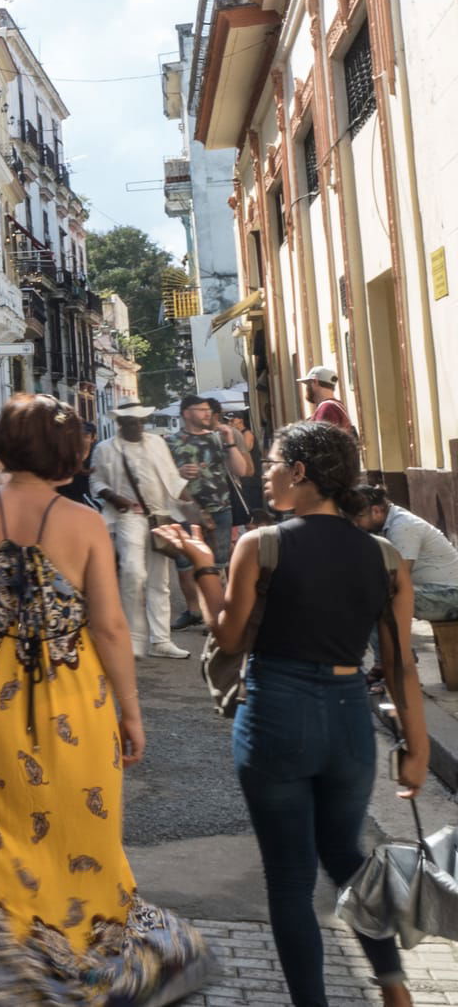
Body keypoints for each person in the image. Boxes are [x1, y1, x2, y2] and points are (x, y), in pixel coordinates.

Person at [0, 395, 210, 999]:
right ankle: (83, 960)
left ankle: (11, 966)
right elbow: (109, 628)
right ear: (67, 453)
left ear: (2, 446)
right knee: (82, 836)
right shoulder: (82, 522)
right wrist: (131, 714)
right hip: (74, 704)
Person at [161, 422, 428, 1007]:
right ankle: (393, 987)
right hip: (349, 718)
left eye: (276, 463)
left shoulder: (264, 545)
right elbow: (401, 662)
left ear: (301, 471)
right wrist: (417, 749)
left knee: (289, 878)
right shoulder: (386, 557)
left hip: (277, 712)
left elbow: (229, 637)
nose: (268, 474)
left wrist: (204, 563)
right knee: (347, 858)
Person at [89, 404, 192, 659]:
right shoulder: (105, 449)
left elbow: (171, 477)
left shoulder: (157, 443)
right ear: (120, 423)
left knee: (160, 579)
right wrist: (113, 496)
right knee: (133, 572)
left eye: (140, 421)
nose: (137, 426)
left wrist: (191, 507)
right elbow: (96, 480)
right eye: (131, 422)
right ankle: (133, 638)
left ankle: (161, 641)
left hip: (160, 514)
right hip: (127, 516)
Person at [170, 394, 252, 574]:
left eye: (208, 410)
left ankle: (218, 601)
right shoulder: (171, 442)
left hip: (220, 509)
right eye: (202, 410)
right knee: (187, 567)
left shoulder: (219, 438)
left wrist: (230, 440)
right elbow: (162, 478)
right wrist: (178, 473)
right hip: (186, 513)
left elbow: (242, 470)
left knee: (218, 565)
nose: (208, 414)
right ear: (186, 413)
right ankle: (195, 603)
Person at [354, 489, 458, 624]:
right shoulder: (389, 522)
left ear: (376, 511)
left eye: (358, 517)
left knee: (379, 598)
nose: (355, 524)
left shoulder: (403, 526)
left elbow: (398, 578)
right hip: (437, 592)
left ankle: (392, 645)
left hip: (450, 595)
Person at [300, 365, 354, 434]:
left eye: (308, 384)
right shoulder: (335, 405)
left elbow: (322, 441)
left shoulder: (327, 408)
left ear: (315, 381)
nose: (307, 388)